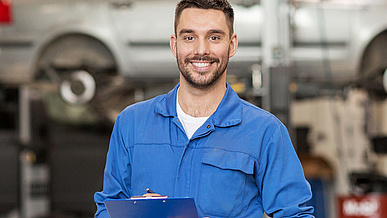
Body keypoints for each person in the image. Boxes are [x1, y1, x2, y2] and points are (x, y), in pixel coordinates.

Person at [94, 0, 314, 217]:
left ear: (232, 44)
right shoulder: (131, 123)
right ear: (174, 45)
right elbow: (107, 209)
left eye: (214, 37)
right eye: (189, 37)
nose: (201, 50)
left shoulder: (265, 131)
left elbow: (295, 215)